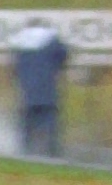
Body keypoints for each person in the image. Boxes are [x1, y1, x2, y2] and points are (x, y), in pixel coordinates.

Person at [12, 18, 70, 158]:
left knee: (28, 116)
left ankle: (26, 149)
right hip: (47, 84)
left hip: (27, 86)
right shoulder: (52, 41)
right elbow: (64, 55)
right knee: (49, 115)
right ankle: (52, 149)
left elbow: (15, 67)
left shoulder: (20, 43)